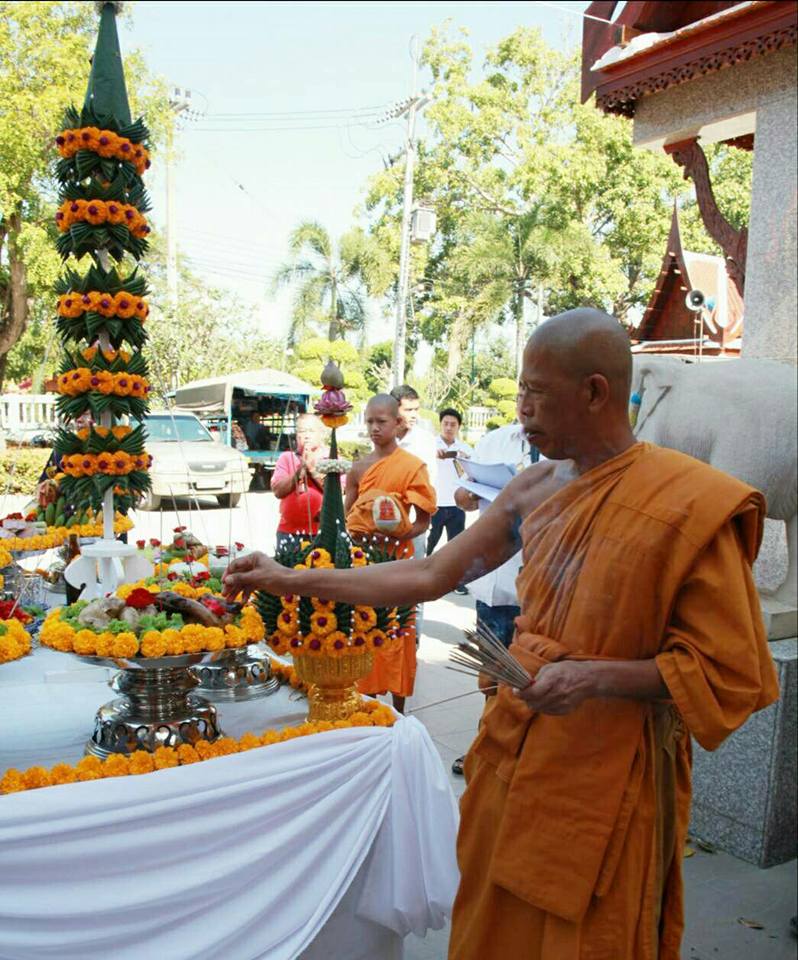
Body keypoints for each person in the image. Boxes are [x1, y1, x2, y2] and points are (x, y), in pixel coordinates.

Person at [224, 308, 779, 960]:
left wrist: (598, 677)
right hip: (517, 749)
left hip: (611, 773)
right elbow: (431, 573)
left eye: (535, 393)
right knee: (497, 926)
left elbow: (729, 670)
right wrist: (291, 579)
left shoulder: (686, 501)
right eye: (519, 392)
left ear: (596, 392)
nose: (522, 410)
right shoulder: (532, 489)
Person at [447, 396, 539, 774]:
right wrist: (467, 496)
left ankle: (520, 757)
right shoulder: (495, 441)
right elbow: (463, 495)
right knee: (490, 679)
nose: (525, 401)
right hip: (491, 584)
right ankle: (484, 748)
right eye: (521, 392)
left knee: (528, 684)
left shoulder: (567, 452)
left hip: (537, 590)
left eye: (536, 391)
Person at [345, 393, 436, 714]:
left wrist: (399, 532)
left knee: (398, 634)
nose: (374, 428)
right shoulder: (359, 468)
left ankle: (399, 710)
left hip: (398, 563)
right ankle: (365, 705)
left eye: (381, 422)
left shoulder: (411, 466)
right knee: (365, 631)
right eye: (369, 421)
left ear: (398, 424)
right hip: (363, 563)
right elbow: (348, 516)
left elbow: (424, 520)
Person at [390, 384, 438, 637]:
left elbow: (429, 493)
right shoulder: (383, 438)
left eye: (416, 409)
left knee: (413, 588)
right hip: (380, 529)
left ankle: (411, 641)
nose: (413, 414)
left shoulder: (424, 442)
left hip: (413, 529)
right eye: (408, 409)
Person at [426, 408, 473, 596]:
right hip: (435, 503)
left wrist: (466, 460)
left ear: (459, 427)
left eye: (453, 424)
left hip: (456, 504)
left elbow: (474, 473)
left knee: (456, 545)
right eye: (445, 423)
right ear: (440, 424)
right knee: (431, 541)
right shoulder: (430, 446)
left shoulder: (465, 449)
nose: (449, 427)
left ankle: (456, 581)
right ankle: (423, 576)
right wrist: (432, 455)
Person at [270, 414, 329, 550]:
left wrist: (312, 470)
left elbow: (338, 491)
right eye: (302, 431)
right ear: (296, 436)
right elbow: (278, 491)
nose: (306, 436)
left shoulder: (331, 458)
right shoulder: (286, 457)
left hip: (322, 531)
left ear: (321, 434)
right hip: (289, 532)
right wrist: (298, 472)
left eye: (311, 431)